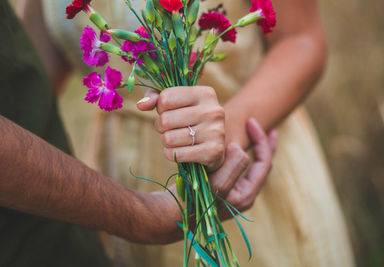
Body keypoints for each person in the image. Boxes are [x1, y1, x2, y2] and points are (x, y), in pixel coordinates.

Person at [27, 0, 355, 266]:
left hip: (245, 174)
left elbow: (302, 39)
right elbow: (29, 80)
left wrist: (224, 133)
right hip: (118, 193)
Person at [0, 1, 276, 266]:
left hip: (235, 165)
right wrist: (140, 215)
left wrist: (220, 138)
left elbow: (302, 38)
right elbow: (26, 86)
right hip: (113, 183)